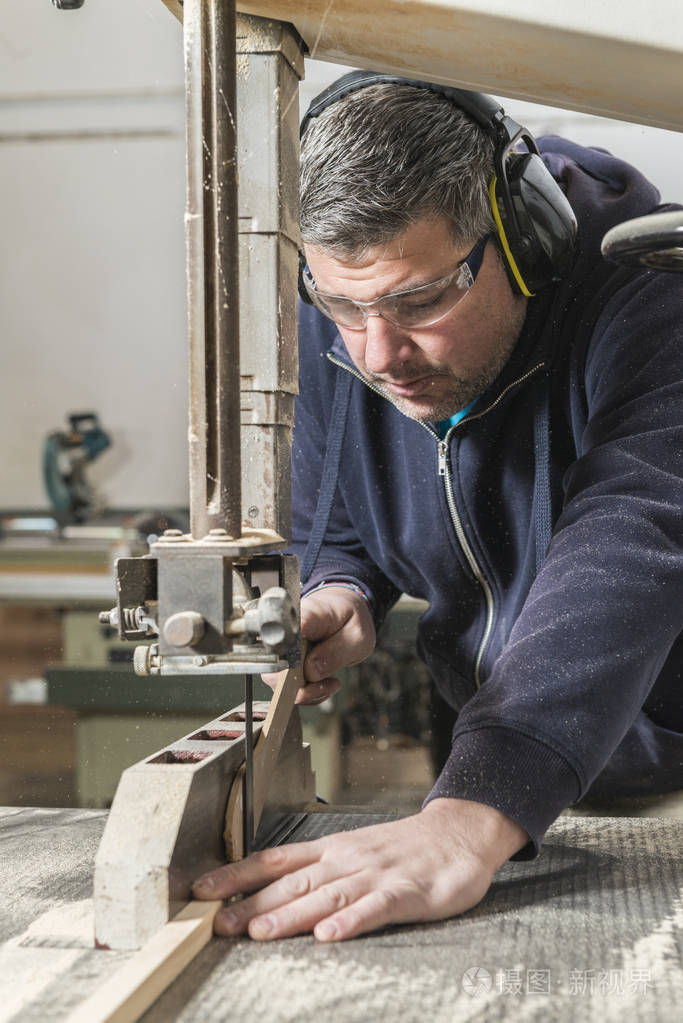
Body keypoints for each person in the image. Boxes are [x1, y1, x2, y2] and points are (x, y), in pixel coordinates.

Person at [193, 73, 683, 942]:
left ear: (522, 237)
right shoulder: (350, 311)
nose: (379, 354)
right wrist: (339, 588)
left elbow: (632, 532)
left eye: (419, 301)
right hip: (489, 771)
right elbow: (342, 503)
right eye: (343, 306)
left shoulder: (650, 290)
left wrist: (472, 811)